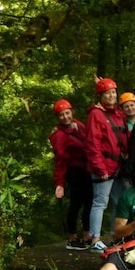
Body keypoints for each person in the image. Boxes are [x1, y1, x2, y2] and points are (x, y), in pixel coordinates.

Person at [83, 77, 129, 253]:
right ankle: (95, 238)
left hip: (117, 166)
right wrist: (99, 167)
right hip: (103, 166)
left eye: (113, 92)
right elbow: (92, 143)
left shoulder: (116, 113)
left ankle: (113, 234)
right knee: (100, 202)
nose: (111, 96)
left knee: (120, 201)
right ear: (100, 96)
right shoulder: (96, 115)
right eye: (107, 93)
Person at [49, 99, 93, 250]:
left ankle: (87, 235)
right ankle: (72, 237)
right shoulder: (59, 135)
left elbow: (89, 141)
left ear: (71, 112)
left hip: (86, 169)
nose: (65, 117)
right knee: (76, 204)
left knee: (89, 203)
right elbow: (60, 160)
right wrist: (59, 183)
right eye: (61, 115)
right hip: (74, 171)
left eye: (67, 113)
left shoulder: (78, 125)